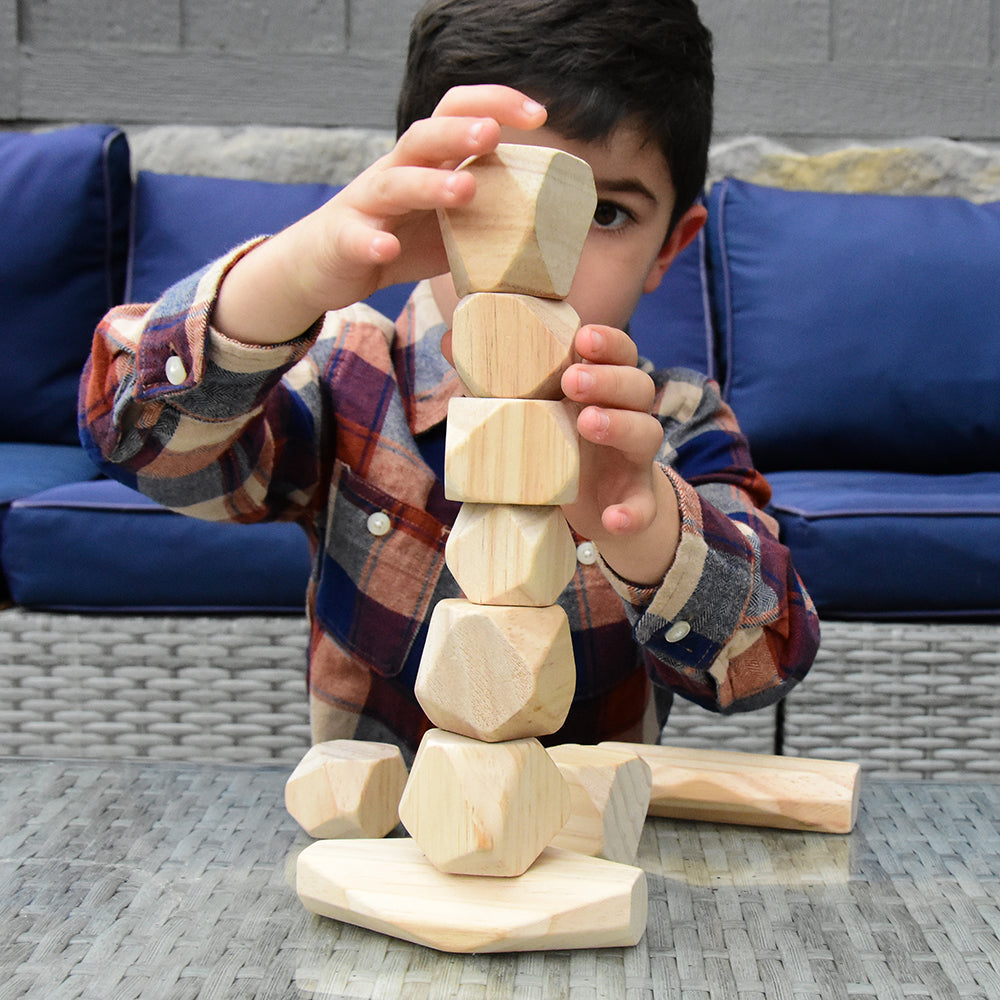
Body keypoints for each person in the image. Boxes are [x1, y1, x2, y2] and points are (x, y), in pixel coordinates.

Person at [80, 0, 819, 759]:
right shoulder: (345, 371)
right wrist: (291, 277)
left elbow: (766, 662)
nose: (540, 253)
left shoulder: (676, 421)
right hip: (381, 826)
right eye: (494, 195)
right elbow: (135, 442)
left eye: (602, 213)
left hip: (583, 830)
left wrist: (645, 524)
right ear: (418, 189)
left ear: (669, 247)